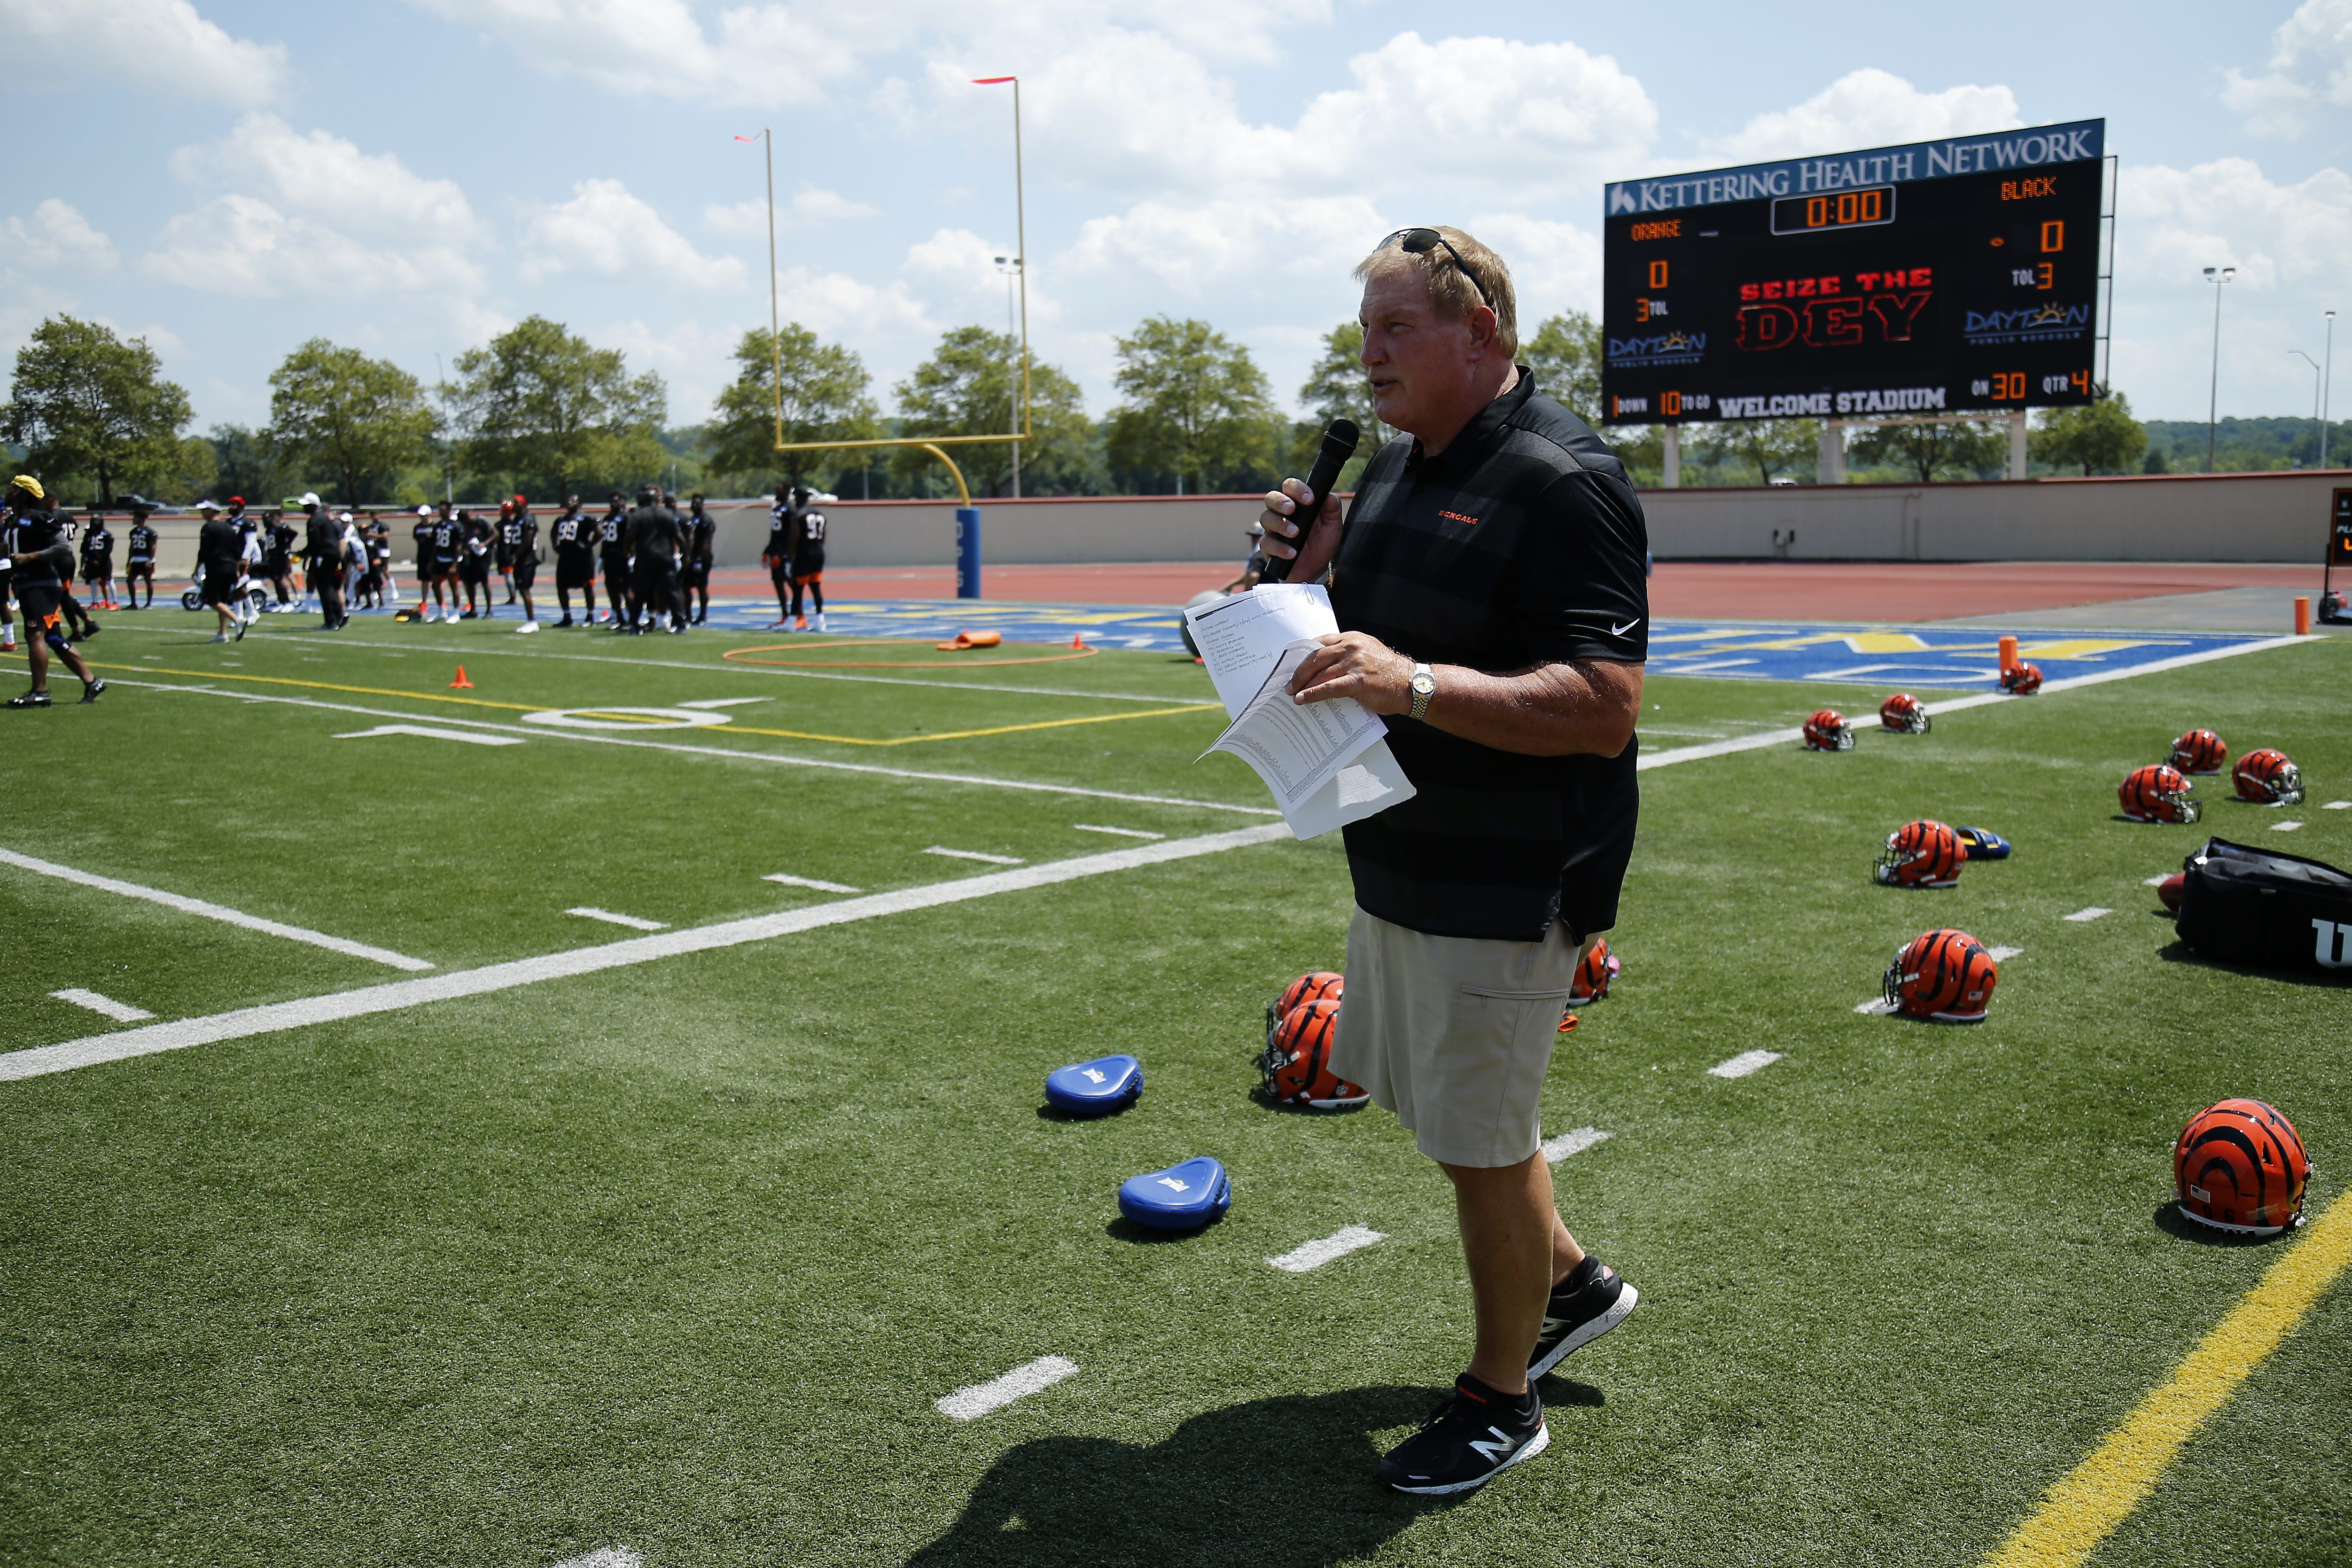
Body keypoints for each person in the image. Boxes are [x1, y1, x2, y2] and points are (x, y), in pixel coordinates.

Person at [1257, 226, 1649, 1498]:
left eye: (1393, 329)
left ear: (1478, 335)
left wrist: (1410, 683)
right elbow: (1352, 642)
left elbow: (1600, 702)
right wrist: (1304, 575)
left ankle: (1500, 1396)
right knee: (1445, 1112)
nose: (1365, 352)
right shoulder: (1389, 466)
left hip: (1512, 864)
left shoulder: (1563, 479)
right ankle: (1575, 1282)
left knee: (1483, 1135)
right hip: (1401, 840)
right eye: (1362, 329)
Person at [3, 476, 104, 706]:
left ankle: (40, 691)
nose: (8, 491)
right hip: (24, 584)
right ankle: (92, 682)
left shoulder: (39, 518)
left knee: (34, 634)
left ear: (22, 492)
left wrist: (31, 557)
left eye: (12, 488)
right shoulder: (11, 521)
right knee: (53, 637)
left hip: (42, 583)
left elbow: (63, 547)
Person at [628, 484, 686, 634]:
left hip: (645, 558)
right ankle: (680, 623)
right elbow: (679, 537)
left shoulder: (639, 516)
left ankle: (634, 624)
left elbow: (630, 537)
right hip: (665, 558)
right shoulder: (667, 515)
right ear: (657, 499)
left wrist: (628, 552)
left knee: (640, 593)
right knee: (672, 592)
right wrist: (685, 554)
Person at [193, 498, 246, 641]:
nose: (202, 513)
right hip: (230, 568)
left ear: (211, 511)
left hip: (216, 568)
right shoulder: (229, 528)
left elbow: (203, 551)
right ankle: (222, 634)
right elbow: (237, 552)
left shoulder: (208, 528)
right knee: (222, 600)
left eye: (204, 511)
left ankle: (237, 619)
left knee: (211, 600)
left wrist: (196, 569)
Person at [300, 493, 348, 630]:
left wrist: (303, 554)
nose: (304, 508)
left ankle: (331, 621)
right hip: (331, 555)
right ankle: (340, 616)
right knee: (330, 587)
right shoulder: (324, 518)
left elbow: (315, 543)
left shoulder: (314, 521)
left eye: (306, 506)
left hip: (323, 556)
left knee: (324, 588)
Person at [549, 493, 596, 627]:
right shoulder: (561, 519)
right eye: (569, 500)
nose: (570, 502)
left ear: (580, 504)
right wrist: (555, 545)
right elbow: (554, 532)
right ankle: (567, 616)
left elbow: (599, 532)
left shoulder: (587, 518)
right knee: (562, 586)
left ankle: (590, 616)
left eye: (573, 500)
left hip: (582, 558)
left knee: (587, 586)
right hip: (566, 557)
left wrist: (589, 545)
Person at [787, 485, 828, 632]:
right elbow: (824, 536)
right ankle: (820, 620)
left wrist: (789, 560)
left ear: (798, 498)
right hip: (818, 554)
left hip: (804, 555)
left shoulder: (799, 515)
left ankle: (791, 622)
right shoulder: (819, 514)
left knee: (798, 589)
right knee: (816, 588)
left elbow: (794, 540)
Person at [501, 494, 542, 632]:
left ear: (524, 505)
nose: (514, 504)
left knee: (525, 590)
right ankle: (530, 620)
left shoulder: (528, 519)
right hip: (520, 559)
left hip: (526, 559)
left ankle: (532, 621)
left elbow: (527, 541)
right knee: (522, 589)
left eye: (517, 502)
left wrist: (515, 556)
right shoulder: (516, 520)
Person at [597, 491, 632, 626]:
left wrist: (631, 555)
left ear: (623, 501)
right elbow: (605, 540)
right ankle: (619, 617)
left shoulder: (626, 517)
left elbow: (630, 538)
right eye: (611, 501)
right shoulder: (607, 518)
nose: (613, 503)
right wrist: (602, 557)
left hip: (621, 557)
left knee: (626, 588)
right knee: (612, 588)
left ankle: (632, 617)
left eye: (616, 501)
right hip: (609, 558)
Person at [679, 492, 716, 624]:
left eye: (697, 503)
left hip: (702, 559)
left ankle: (703, 615)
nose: (694, 505)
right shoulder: (692, 520)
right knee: (685, 586)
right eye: (693, 502)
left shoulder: (707, 520)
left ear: (703, 504)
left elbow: (707, 541)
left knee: (701, 587)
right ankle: (688, 614)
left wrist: (700, 558)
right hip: (691, 557)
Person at [764, 482, 796, 628]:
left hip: (785, 554)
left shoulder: (790, 510)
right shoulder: (776, 508)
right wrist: (768, 550)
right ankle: (785, 615)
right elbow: (774, 534)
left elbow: (790, 534)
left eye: (779, 490)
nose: (776, 492)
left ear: (787, 492)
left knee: (792, 583)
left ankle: (798, 614)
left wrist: (783, 554)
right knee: (778, 583)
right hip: (776, 551)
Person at [427, 501, 464, 622]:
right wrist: (432, 561)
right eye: (440, 510)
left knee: (453, 585)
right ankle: (441, 611)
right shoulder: (438, 526)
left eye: (443, 510)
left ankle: (456, 613)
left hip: (451, 559)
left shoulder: (456, 526)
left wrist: (454, 563)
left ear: (448, 511)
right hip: (440, 559)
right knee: (435, 584)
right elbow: (435, 545)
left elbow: (459, 545)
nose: (440, 512)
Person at [459, 506, 496, 618]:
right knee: (469, 582)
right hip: (470, 557)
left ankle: (489, 610)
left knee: (484, 582)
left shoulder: (480, 522)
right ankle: (473, 610)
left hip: (483, 557)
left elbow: (495, 534)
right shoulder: (463, 528)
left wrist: (485, 543)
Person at [80, 507, 117, 610]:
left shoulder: (107, 535)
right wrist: (91, 560)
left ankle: (115, 602)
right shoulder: (88, 535)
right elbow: (84, 550)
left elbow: (108, 550)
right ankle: (95, 602)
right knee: (93, 582)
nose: (94, 523)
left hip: (104, 562)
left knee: (109, 580)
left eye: (97, 521)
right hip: (92, 562)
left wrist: (99, 560)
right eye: (93, 521)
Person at [124, 503, 158, 610]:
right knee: (130, 580)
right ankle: (133, 603)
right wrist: (129, 560)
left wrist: (151, 560)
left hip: (145, 560)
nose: (134, 519)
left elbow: (153, 546)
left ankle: (149, 603)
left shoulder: (150, 532)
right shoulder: (133, 532)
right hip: (136, 560)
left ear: (141, 518)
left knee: (148, 581)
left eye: (135, 517)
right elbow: (132, 547)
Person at [1222, 522, 1271, 594]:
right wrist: (1233, 584)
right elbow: (1250, 574)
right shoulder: (1272, 554)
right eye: (1254, 537)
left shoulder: (1257, 556)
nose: (1254, 540)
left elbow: (1253, 576)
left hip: (1261, 595)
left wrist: (1247, 595)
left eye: (1257, 537)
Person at [264, 506, 298, 610]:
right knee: (276, 579)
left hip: (281, 556)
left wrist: (286, 546)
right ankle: (282, 601)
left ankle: (288, 601)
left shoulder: (280, 527)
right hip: (273, 556)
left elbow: (293, 534)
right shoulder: (269, 530)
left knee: (282, 577)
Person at [411, 505, 438, 614]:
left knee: (436, 579)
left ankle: (440, 601)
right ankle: (424, 601)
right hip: (422, 556)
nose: (422, 518)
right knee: (424, 580)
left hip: (433, 556)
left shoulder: (435, 527)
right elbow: (419, 540)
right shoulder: (417, 527)